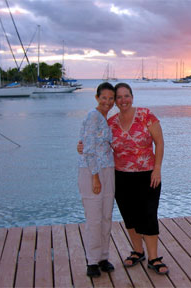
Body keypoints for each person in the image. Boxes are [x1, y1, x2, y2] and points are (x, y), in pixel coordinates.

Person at [78, 82, 168, 275]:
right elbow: (98, 143)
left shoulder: (146, 115)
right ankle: (138, 251)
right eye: (118, 97)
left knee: (149, 215)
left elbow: (159, 142)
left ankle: (153, 257)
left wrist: (157, 168)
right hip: (120, 176)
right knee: (130, 216)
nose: (122, 100)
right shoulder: (110, 122)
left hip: (148, 174)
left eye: (126, 96)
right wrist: (82, 146)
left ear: (132, 97)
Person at [78, 82, 116, 278]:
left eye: (111, 99)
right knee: (94, 219)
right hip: (92, 172)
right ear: (97, 98)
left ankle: (103, 256)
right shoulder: (93, 116)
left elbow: (87, 143)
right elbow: (88, 149)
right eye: (104, 98)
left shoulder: (105, 118)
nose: (107, 102)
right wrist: (95, 177)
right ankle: (92, 261)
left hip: (108, 170)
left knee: (106, 217)